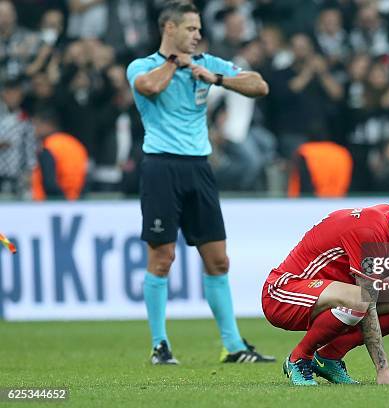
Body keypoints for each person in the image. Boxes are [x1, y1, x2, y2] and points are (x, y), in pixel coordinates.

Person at [126, 1, 273, 365]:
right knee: (162, 258)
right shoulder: (143, 66)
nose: (197, 35)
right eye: (190, 29)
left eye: (198, 29)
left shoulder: (209, 64)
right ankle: (160, 345)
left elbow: (259, 85)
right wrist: (176, 62)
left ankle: (234, 346)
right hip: (161, 167)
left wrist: (217, 79)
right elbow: (148, 88)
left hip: (199, 169)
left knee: (219, 260)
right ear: (169, 29)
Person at [262, 204, 389, 386]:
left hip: (329, 293)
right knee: (359, 299)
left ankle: (328, 358)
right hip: (282, 293)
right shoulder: (370, 234)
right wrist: (383, 370)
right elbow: (367, 302)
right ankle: (299, 358)